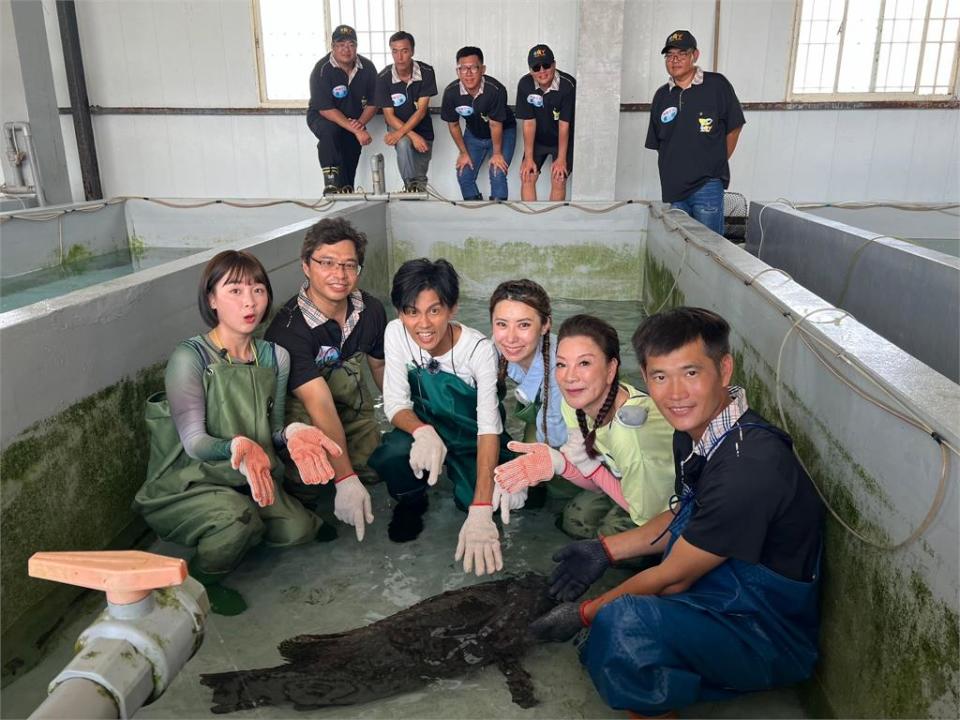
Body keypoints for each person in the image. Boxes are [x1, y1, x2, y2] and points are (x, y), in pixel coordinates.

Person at [529, 307, 824, 718]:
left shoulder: (748, 468)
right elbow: (685, 515)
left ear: (724, 369)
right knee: (617, 626)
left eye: (690, 373)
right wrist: (605, 550)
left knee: (624, 627)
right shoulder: (697, 436)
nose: (675, 394)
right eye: (659, 377)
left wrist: (582, 613)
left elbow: (674, 575)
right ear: (644, 378)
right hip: (723, 585)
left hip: (765, 629)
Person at [133, 251, 344, 616]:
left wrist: (294, 432)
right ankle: (200, 581)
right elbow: (195, 444)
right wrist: (236, 445)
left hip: (253, 473)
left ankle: (245, 531)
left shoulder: (274, 356)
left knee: (298, 530)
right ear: (211, 299)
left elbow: (273, 427)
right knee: (237, 521)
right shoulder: (191, 356)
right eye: (234, 290)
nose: (250, 301)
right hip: (191, 482)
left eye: (258, 289)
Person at [368, 259, 513, 576]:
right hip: (428, 427)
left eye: (434, 310)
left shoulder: (478, 351)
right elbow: (394, 401)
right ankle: (412, 502)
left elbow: (489, 428)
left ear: (453, 308)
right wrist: (421, 432)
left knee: (481, 502)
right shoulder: (396, 333)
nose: (423, 324)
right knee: (392, 453)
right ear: (399, 312)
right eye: (411, 311)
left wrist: (480, 507)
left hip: (471, 436)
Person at [495, 315, 675, 541]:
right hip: (624, 479)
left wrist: (589, 468)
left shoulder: (631, 436)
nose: (569, 377)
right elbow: (594, 482)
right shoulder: (575, 403)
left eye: (584, 363)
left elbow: (647, 517)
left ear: (611, 369)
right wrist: (559, 464)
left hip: (662, 505)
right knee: (575, 521)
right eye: (561, 364)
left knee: (611, 541)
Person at [265, 217, 382, 541]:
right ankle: (304, 503)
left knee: (378, 467)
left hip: (351, 405)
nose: (339, 275)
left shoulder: (370, 310)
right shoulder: (288, 330)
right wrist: (344, 478)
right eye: (327, 263)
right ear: (306, 266)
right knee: (311, 476)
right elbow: (318, 402)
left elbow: (380, 367)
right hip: (307, 414)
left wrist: (409, 421)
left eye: (349, 265)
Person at [488, 279, 577, 509]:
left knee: (562, 496)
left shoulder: (561, 369)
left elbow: (556, 438)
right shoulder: (496, 348)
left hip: (577, 430)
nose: (510, 337)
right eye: (502, 324)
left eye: (524, 325)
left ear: (546, 325)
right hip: (543, 410)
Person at [645, 30, 745, 235]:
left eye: (681, 54)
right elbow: (659, 143)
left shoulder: (717, 85)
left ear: (695, 55)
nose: (675, 60)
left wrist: (716, 161)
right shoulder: (662, 96)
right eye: (670, 55)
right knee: (680, 245)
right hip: (674, 190)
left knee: (709, 248)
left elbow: (735, 126)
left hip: (707, 186)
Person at [308, 24, 379, 194]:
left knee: (351, 148)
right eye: (341, 45)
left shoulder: (368, 68)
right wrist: (356, 129)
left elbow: (374, 102)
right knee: (330, 131)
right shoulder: (322, 69)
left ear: (356, 47)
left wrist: (359, 125)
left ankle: (347, 188)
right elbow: (325, 109)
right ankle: (331, 183)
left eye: (351, 44)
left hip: (354, 119)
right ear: (332, 47)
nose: (346, 49)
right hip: (323, 116)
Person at [440, 46, 517, 201]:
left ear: (483, 69)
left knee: (497, 172)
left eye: (474, 68)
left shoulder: (495, 90)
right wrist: (463, 153)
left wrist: (496, 154)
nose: (468, 73)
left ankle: (497, 218)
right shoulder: (451, 92)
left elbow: (495, 125)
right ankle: (476, 215)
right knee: (464, 173)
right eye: (463, 68)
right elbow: (453, 125)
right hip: (474, 134)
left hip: (502, 131)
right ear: (458, 71)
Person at [374, 31, 438, 192]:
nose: (399, 56)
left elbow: (421, 111)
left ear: (412, 51)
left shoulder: (426, 71)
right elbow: (389, 115)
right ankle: (410, 188)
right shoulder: (383, 77)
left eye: (404, 51)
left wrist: (413, 135)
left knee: (420, 176)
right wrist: (410, 135)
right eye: (394, 51)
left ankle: (416, 192)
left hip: (422, 126)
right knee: (403, 144)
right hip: (396, 124)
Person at [515, 44, 576, 201]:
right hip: (539, 140)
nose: (542, 71)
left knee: (559, 177)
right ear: (531, 71)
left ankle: (552, 223)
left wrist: (561, 159)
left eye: (546, 65)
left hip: (562, 139)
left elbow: (564, 125)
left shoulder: (568, 85)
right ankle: (532, 222)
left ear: (554, 65)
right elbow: (529, 123)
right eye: (536, 67)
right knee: (527, 175)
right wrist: (528, 158)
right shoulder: (525, 85)